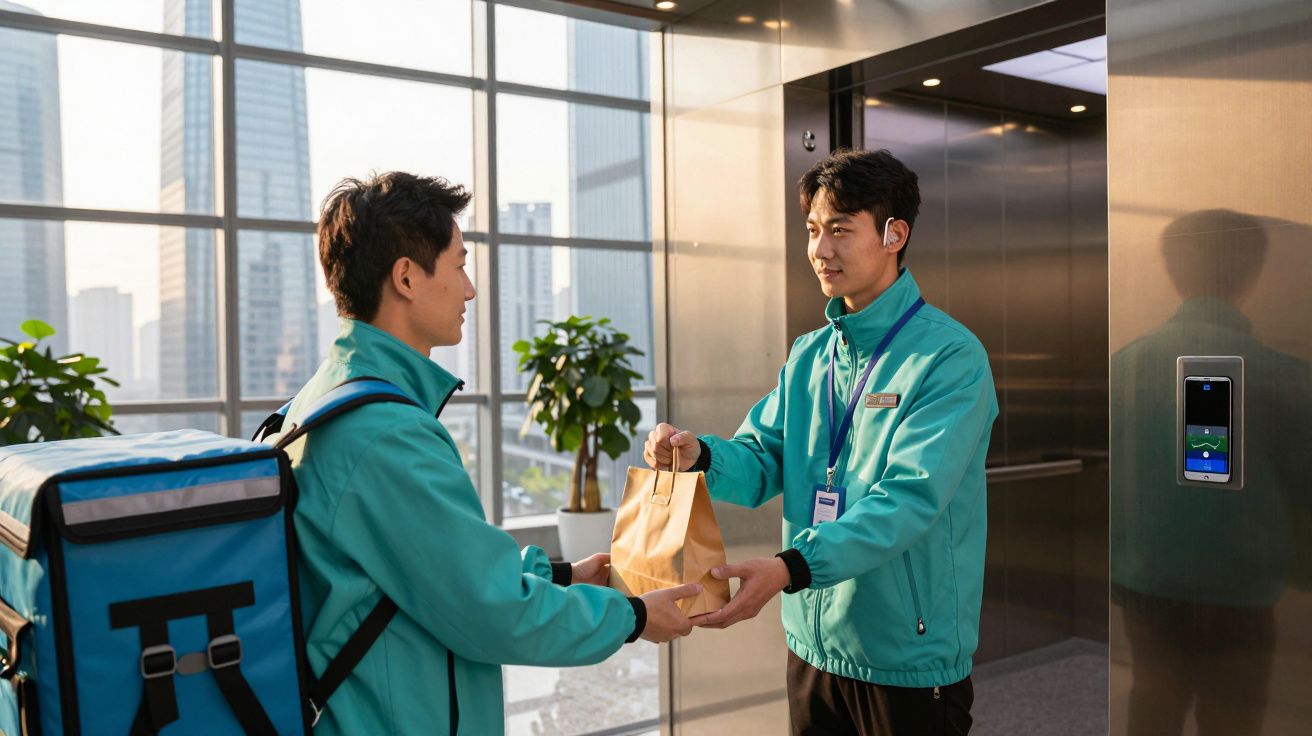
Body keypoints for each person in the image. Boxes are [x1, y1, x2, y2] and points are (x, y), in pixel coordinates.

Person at [283, 171, 700, 735]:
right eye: (458, 266)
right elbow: (488, 610)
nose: (470, 289)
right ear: (406, 276)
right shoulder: (384, 433)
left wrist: (562, 575)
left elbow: (436, 570)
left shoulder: (326, 398)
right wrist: (634, 616)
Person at [646, 149, 997, 735]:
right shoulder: (811, 354)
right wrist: (698, 455)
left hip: (905, 657)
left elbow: (909, 498)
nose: (819, 250)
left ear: (894, 233)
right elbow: (762, 459)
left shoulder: (949, 357)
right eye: (812, 230)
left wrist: (790, 566)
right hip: (812, 643)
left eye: (840, 229)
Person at [1110, 210, 1312, 735]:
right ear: (1252, 276)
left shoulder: (1123, 366)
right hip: (1239, 593)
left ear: (1173, 272)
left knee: (1152, 705)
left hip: (1144, 584)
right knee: (1233, 719)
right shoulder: (1286, 378)